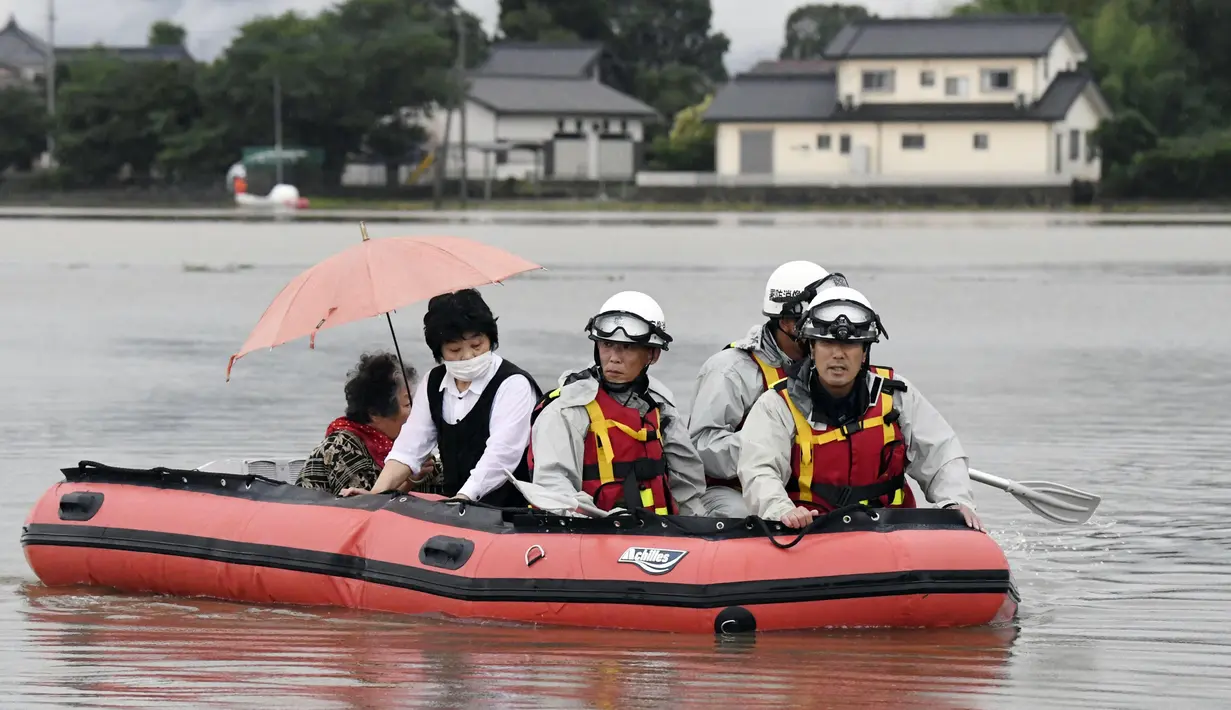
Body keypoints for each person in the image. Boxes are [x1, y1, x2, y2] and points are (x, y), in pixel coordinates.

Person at [736, 286, 985, 531]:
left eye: (850, 346)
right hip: (809, 533)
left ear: (864, 352)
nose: (838, 355)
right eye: (827, 343)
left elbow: (940, 453)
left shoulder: (896, 395)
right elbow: (759, 469)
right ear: (811, 348)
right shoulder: (778, 404)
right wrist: (781, 510)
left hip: (892, 532)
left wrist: (955, 501)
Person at [342, 289, 540, 506]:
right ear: (439, 352)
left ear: (491, 339)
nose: (468, 356)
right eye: (455, 349)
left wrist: (465, 497)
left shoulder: (513, 384)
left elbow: (502, 456)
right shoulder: (433, 382)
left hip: (511, 512)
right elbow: (410, 447)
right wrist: (375, 494)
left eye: (477, 345)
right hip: (457, 508)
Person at [688, 261, 847, 518]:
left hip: (798, 487)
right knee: (742, 515)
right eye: (816, 322)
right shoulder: (731, 370)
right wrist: (774, 443)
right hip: (730, 490)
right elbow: (701, 449)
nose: (827, 332)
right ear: (787, 322)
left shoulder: (832, 365)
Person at [528, 291, 707, 516]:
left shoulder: (661, 409)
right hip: (592, 535)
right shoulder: (567, 411)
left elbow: (688, 489)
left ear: (652, 354)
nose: (614, 357)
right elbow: (553, 490)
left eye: (628, 347)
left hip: (661, 535)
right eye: (607, 345)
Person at [296, 352, 441, 496]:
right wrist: (409, 480)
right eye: (408, 404)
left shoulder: (404, 444)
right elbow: (363, 506)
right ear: (375, 414)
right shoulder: (342, 447)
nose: (416, 412)